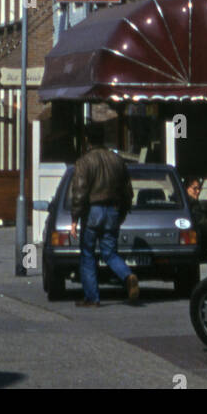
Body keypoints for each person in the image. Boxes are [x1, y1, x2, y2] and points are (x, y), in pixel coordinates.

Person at [69, 125, 137, 307]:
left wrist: (74, 218)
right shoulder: (117, 160)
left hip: (93, 210)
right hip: (112, 210)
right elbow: (127, 191)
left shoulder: (84, 161)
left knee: (87, 254)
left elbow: (79, 192)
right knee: (109, 253)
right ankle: (127, 275)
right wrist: (122, 212)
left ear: (87, 140)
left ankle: (92, 298)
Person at [184, 174, 207, 261]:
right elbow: (202, 222)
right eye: (195, 188)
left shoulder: (193, 203)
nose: (198, 191)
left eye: (199, 188)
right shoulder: (190, 204)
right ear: (186, 188)